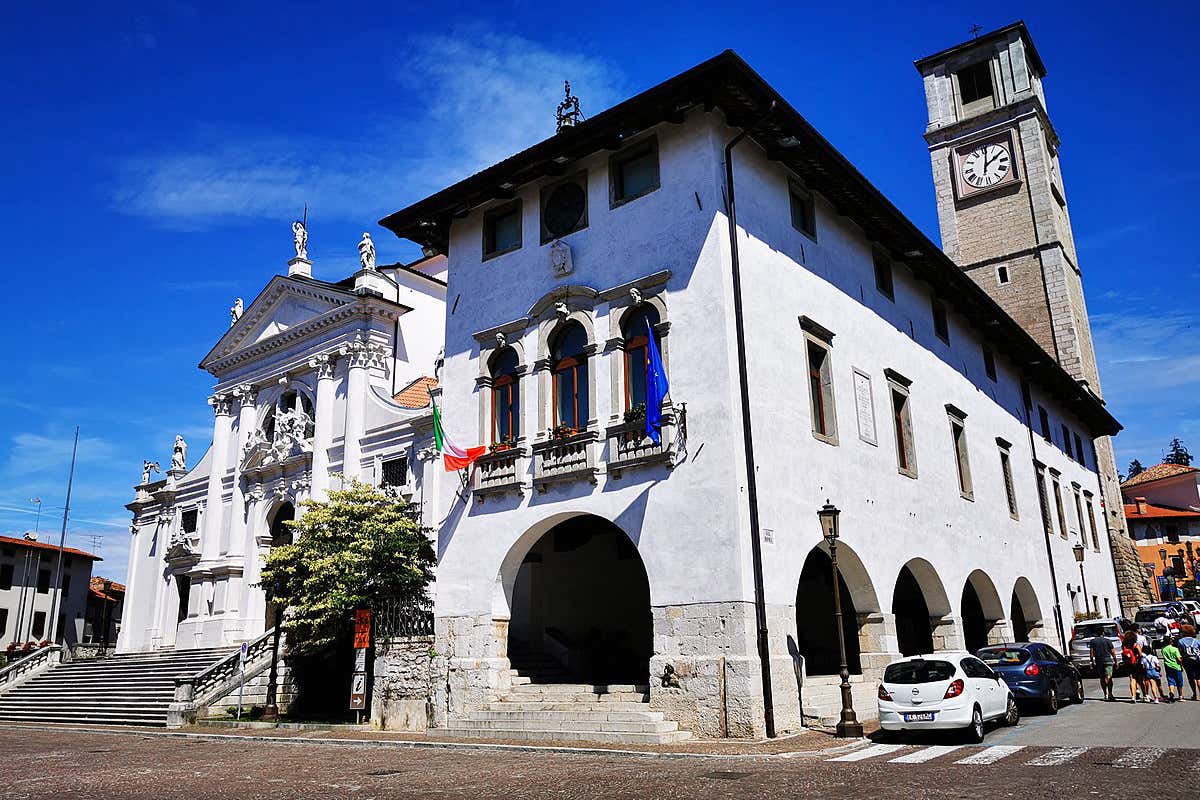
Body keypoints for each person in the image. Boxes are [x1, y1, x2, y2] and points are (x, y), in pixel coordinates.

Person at [1089, 630, 1117, 701]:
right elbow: (1113, 652)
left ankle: (1105, 694)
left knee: (1102, 678)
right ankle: (1110, 693)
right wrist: (1116, 661)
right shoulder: (1108, 641)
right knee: (1109, 677)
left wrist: (1092, 662)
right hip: (1108, 660)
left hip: (1099, 661)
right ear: (1103, 633)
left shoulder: (1093, 641)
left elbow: (1091, 653)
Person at [1177, 624, 1200, 702]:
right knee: (1198, 678)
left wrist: (1180, 663)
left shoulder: (1181, 641)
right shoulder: (1196, 641)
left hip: (1187, 661)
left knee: (1191, 678)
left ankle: (1195, 694)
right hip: (1197, 660)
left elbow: (1180, 652)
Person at [1122, 631, 1144, 703]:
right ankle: (1145, 695)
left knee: (1132, 679)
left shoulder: (1124, 645)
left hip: (1128, 664)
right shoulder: (1136, 645)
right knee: (1140, 679)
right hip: (1136, 664)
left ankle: (1133, 697)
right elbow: (1140, 655)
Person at [1161, 638, 1185, 703]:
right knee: (1179, 681)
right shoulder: (1175, 649)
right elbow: (1179, 659)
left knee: (1171, 680)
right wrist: (1181, 664)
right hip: (1176, 666)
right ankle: (1180, 696)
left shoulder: (1163, 649)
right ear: (1171, 642)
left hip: (1168, 666)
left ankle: (1171, 692)